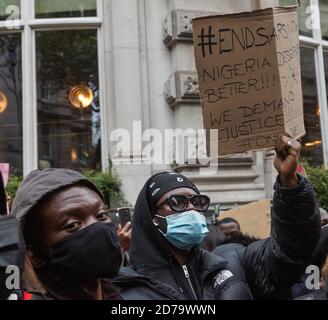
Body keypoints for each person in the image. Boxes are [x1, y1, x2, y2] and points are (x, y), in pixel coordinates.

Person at [128, 136, 321, 300]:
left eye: (197, 201)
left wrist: (290, 184)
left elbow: (291, 252)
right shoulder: (129, 288)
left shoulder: (233, 264)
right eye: (177, 201)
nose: (191, 208)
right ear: (152, 218)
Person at [10, 169, 124, 300]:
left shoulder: (135, 288)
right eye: (72, 225)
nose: (96, 227)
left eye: (101, 215)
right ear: (35, 256)